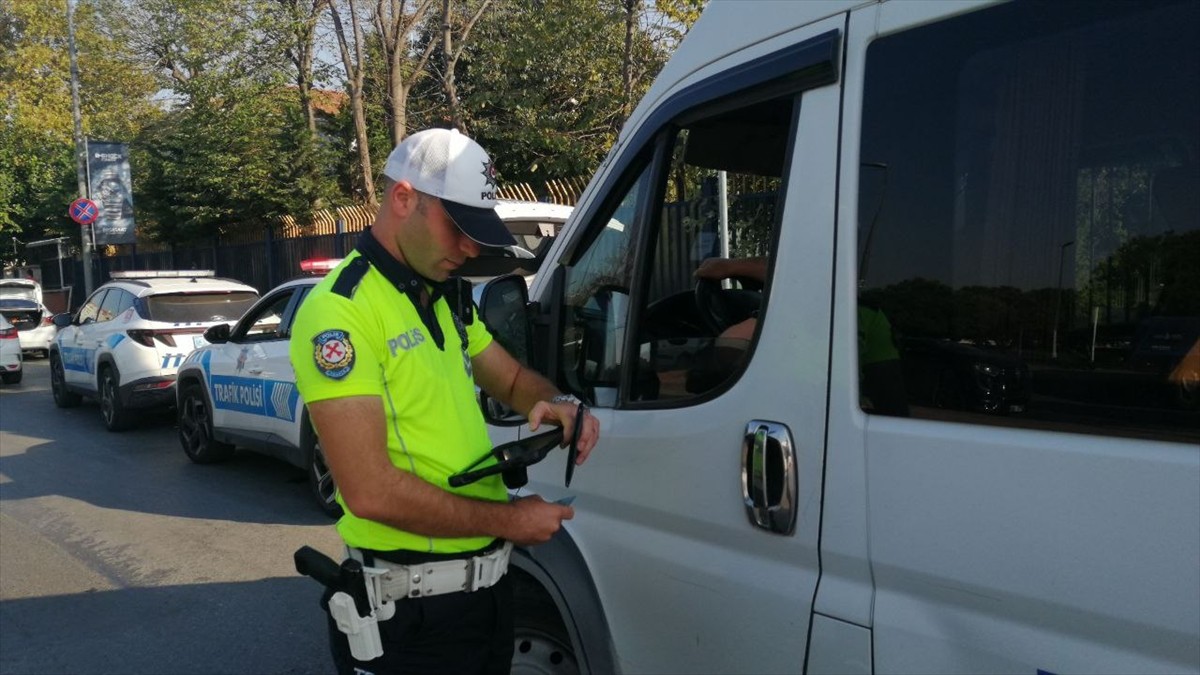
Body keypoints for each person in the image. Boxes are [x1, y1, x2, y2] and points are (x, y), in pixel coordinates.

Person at [289, 127, 600, 675]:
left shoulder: (444, 298)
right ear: (403, 198)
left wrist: (559, 402)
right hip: (408, 619)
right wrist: (509, 520)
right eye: (457, 228)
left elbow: (509, 379)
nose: (471, 248)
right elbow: (368, 491)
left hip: (484, 600)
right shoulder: (339, 311)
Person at [694, 256, 909, 416]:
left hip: (787, 420)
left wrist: (732, 267)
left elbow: (726, 347)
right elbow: (890, 394)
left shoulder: (783, 314)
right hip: (845, 421)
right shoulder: (870, 315)